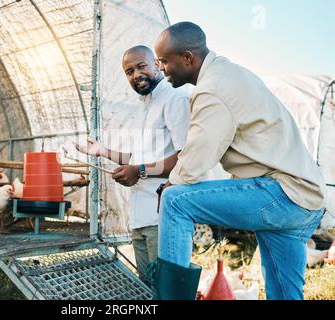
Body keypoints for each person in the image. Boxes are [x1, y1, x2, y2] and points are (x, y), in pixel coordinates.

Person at [150, 22, 327, 300]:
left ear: (187, 57)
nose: (159, 67)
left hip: (281, 194)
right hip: (305, 198)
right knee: (283, 294)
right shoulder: (232, 73)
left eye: (163, 61)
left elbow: (197, 159)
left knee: (175, 200)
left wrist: (169, 185)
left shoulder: (212, 89)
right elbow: (251, 150)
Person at [75, 45, 190, 284]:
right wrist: (102, 151)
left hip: (164, 218)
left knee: (167, 290)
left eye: (141, 66)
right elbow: (139, 160)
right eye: (129, 71)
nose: (135, 75)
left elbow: (187, 158)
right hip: (140, 218)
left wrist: (139, 171)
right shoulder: (144, 106)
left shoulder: (175, 99)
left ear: (157, 65)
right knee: (148, 288)